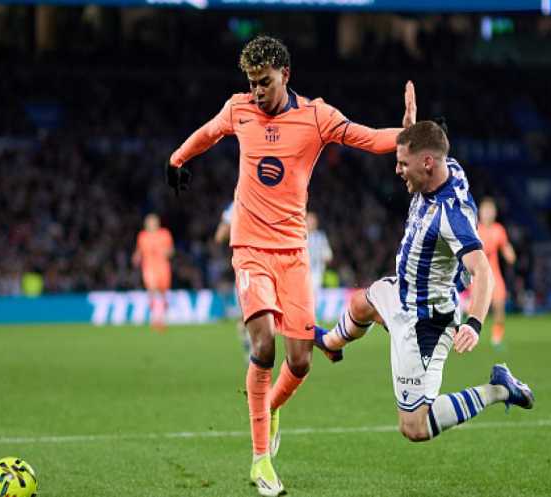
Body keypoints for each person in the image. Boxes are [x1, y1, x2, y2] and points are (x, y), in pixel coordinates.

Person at [165, 35, 416, 496]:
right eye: (252, 83)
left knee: (299, 361)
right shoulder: (238, 109)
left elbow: (365, 137)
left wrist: (406, 136)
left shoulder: (316, 117)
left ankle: (272, 406)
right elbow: (209, 132)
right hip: (250, 248)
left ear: (286, 75)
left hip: (294, 253)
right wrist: (178, 158)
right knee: (262, 345)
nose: (257, 91)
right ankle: (261, 460)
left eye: (264, 82)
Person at [315, 121, 534, 446]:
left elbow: (483, 271)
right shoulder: (447, 166)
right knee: (362, 304)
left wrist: (474, 323)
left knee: (414, 427)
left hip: (424, 322)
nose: (397, 170)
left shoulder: (451, 216)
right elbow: (431, 140)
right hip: (403, 289)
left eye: (403, 163)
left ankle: (499, 389)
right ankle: (331, 344)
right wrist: (411, 127)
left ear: (427, 163)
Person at [215, 201, 252, 363]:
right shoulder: (238, 204)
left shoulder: (240, 203)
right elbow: (219, 236)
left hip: (259, 264)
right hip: (247, 265)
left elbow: (219, 236)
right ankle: (250, 345)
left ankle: (253, 346)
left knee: (254, 312)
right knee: (246, 312)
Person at [477, 197, 516, 346]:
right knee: (473, 310)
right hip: (476, 275)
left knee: (499, 306)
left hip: (494, 275)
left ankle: (497, 338)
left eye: (490, 211)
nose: (488, 214)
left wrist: (509, 253)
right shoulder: (475, 229)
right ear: (480, 212)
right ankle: (466, 336)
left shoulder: (498, 229)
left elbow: (505, 246)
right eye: (485, 211)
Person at [132, 214, 173, 330]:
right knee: (152, 289)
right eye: (149, 222)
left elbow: (171, 251)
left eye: (153, 222)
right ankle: (156, 318)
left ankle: (161, 315)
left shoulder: (165, 234)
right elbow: (139, 250)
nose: (151, 225)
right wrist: (136, 257)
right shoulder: (142, 236)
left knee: (163, 293)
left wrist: (166, 253)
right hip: (149, 267)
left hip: (163, 267)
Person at [306, 211, 333, 299]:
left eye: (312, 221)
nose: (310, 223)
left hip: (316, 272)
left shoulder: (320, 236)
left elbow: (328, 254)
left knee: (313, 294)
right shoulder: (300, 235)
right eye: (308, 221)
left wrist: (326, 256)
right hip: (302, 270)